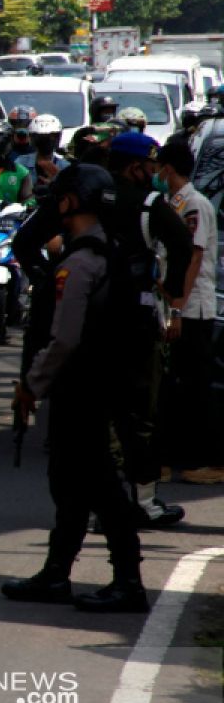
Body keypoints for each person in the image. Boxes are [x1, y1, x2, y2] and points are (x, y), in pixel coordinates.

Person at [3, 164, 149, 613]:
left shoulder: (81, 262)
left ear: (69, 202)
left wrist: (31, 385)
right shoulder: (108, 251)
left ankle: (127, 581)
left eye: (59, 198)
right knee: (70, 484)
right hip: (97, 386)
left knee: (100, 487)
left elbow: (64, 338)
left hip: (81, 391)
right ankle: (55, 574)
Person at [101, 132, 193, 526]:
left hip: (94, 321)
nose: (153, 172)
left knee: (100, 416)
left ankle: (103, 506)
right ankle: (144, 502)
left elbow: (34, 239)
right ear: (135, 166)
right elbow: (183, 247)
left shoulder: (91, 199)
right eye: (149, 165)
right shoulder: (151, 204)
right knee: (140, 415)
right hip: (138, 322)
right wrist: (172, 294)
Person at [154, 142, 221, 485]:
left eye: (159, 167)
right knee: (174, 384)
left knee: (196, 385)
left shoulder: (194, 204)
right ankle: (176, 456)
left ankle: (209, 459)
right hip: (177, 304)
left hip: (193, 308)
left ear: (169, 168)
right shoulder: (173, 204)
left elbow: (193, 257)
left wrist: (178, 305)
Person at [15, 113, 68, 196]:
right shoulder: (21, 163)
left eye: (51, 137)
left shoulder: (65, 167)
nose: (46, 142)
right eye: (41, 138)